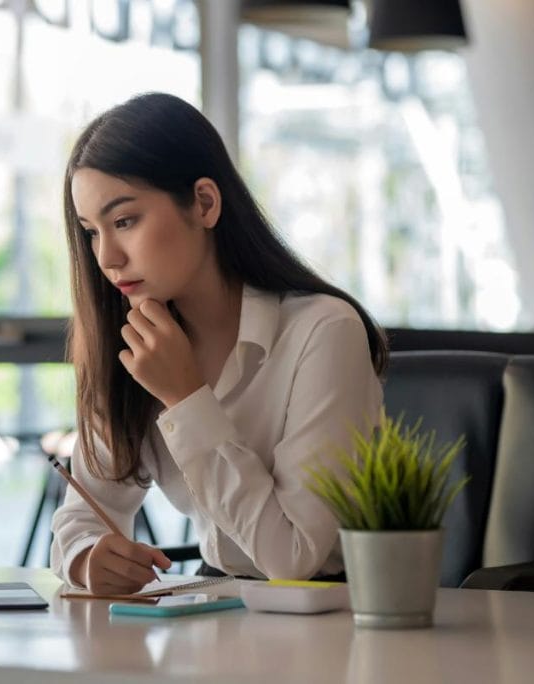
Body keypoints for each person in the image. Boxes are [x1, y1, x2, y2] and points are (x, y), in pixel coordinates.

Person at [50, 92, 386, 596]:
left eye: (124, 222)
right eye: (91, 232)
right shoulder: (133, 343)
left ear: (204, 203)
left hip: (331, 615)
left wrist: (186, 398)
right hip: (217, 609)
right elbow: (82, 516)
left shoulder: (323, 331)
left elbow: (293, 560)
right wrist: (86, 560)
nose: (108, 258)